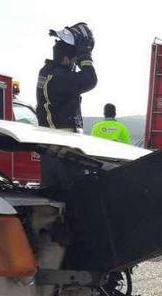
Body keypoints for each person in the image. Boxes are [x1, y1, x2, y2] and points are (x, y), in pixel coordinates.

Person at [36, 23, 96, 192]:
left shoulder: (48, 73)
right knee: (69, 200)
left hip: (53, 149)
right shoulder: (59, 78)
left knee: (55, 199)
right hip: (61, 150)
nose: (74, 65)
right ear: (65, 59)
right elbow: (89, 79)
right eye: (74, 60)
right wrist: (85, 54)